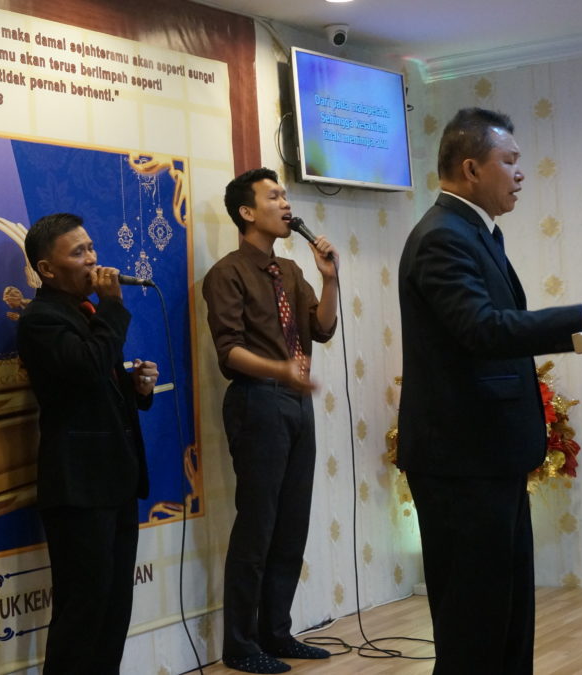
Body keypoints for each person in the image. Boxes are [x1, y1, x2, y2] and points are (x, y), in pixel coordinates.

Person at [397, 107, 582, 673]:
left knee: (507, 617)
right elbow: (483, 329)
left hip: (490, 456)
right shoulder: (442, 237)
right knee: (475, 625)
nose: (520, 173)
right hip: (462, 462)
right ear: (471, 168)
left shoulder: (475, 232)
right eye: (509, 161)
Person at [203, 167, 339, 674]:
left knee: (291, 523)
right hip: (257, 401)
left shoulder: (292, 272)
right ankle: (240, 645)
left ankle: (276, 632)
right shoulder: (227, 273)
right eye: (274, 196)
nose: (286, 204)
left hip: (296, 405)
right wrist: (281, 369)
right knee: (257, 526)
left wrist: (329, 279)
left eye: (285, 196)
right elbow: (229, 352)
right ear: (246, 211)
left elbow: (322, 329)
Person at [16, 212, 158, 674]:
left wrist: (136, 387)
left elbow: (97, 383)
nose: (94, 259)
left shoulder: (86, 313)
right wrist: (113, 306)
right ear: (47, 269)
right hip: (78, 487)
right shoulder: (41, 320)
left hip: (116, 479)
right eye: (78, 253)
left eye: (91, 247)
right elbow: (87, 367)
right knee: (83, 611)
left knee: (114, 609)